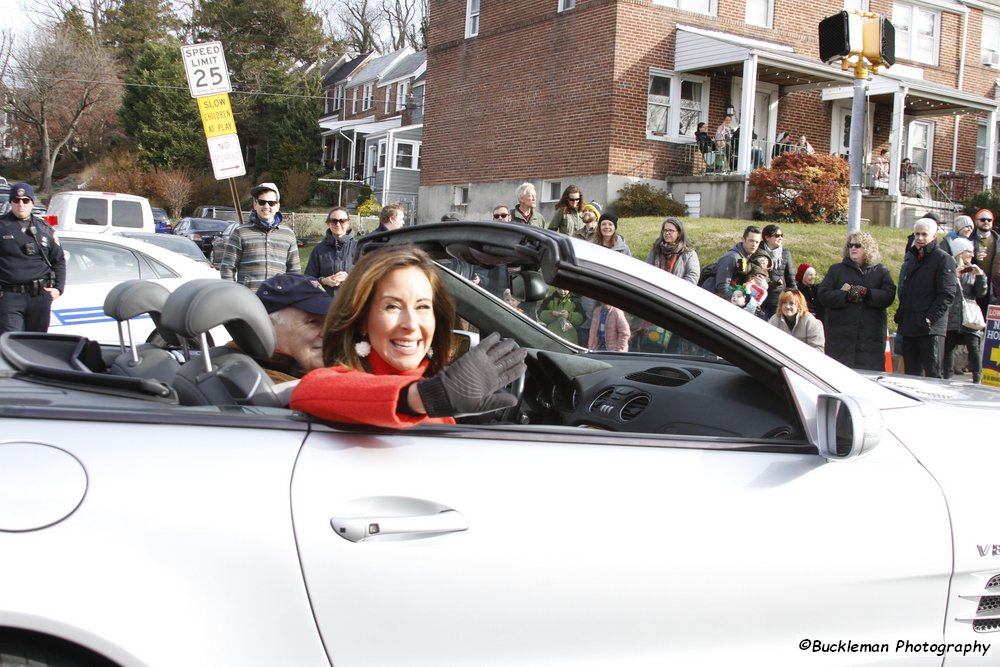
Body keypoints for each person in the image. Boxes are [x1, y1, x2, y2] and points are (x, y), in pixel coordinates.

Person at [290, 246, 527, 427]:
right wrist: (425, 396)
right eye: (392, 306)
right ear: (362, 319)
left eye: (423, 307)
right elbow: (310, 390)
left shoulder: (442, 387)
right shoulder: (333, 383)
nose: (411, 324)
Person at [817, 232, 895, 371]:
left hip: (870, 342)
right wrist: (846, 296)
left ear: (868, 248)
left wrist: (868, 293)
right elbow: (823, 294)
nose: (853, 248)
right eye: (850, 245)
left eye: (858, 245)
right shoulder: (836, 270)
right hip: (840, 340)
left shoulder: (881, 271)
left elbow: (889, 296)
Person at [0, 182, 66, 334]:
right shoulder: (2, 226)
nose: (20, 204)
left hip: (40, 297)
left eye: (25, 200)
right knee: (12, 343)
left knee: (36, 343)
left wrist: (58, 289)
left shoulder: (44, 229)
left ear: (32, 203)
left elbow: (59, 261)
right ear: (11, 202)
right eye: (16, 200)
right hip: (9, 297)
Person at [895, 218, 956, 378]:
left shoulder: (944, 259)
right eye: (917, 234)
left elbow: (947, 294)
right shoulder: (913, 258)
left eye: (924, 234)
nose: (920, 238)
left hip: (931, 329)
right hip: (910, 326)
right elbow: (906, 291)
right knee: (910, 375)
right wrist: (901, 316)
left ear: (934, 235)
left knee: (933, 374)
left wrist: (929, 319)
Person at [250, 273, 333, 382]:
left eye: (330, 322)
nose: (326, 333)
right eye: (313, 322)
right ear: (268, 326)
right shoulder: (258, 386)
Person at [219, 182, 300, 291]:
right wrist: (234, 294)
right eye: (262, 202)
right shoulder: (240, 232)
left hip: (278, 300)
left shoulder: (288, 234)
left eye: (271, 203)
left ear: (277, 206)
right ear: (255, 204)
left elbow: (294, 272)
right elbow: (227, 268)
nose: (266, 206)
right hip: (248, 300)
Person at [943, 237, 987, 383]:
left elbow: (980, 293)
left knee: (974, 347)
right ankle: (947, 377)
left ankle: (977, 378)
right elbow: (945, 289)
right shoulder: (949, 269)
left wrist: (980, 276)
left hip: (969, 315)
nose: (972, 255)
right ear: (960, 252)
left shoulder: (973, 271)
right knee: (949, 347)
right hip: (952, 313)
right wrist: (954, 276)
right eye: (968, 251)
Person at [304, 207, 357, 296]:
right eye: (334, 221)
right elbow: (307, 281)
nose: (338, 224)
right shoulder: (319, 249)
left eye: (342, 221)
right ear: (328, 223)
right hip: (325, 304)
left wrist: (350, 278)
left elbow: (370, 278)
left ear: (348, 223)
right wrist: (323, 281)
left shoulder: (360, 247)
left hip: (353, 304)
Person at [703, 225, 762, 297]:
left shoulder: (749, 257)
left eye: (757, 242)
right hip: (712, 297)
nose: (754, 245)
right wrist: (737, 300)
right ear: (743, 239)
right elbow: (722, 286)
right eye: (751, 241)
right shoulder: (731, 258)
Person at [757, 224, 796, 320]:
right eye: (777, 236)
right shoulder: (757, 252)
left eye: (782, 235)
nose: (780, 238)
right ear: (767, 237)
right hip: (761, 298)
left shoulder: (785, 253)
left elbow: (790, 277)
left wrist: (795, 296)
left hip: (779, 299)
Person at [646, 217, 700, 284]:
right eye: (665, 230)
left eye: (671, 230)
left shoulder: (688, 253)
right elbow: (647, 270)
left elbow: (693, 276)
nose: (667, 233)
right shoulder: (656, 250)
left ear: (679, 233)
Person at [971, 208, 999, 317]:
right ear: (976, 221)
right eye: (983, 219)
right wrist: (974, 257)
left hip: (994, 288)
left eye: (989, 220)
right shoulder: (969, 239)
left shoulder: (998, 240)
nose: (986, 222)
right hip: (973, 287)